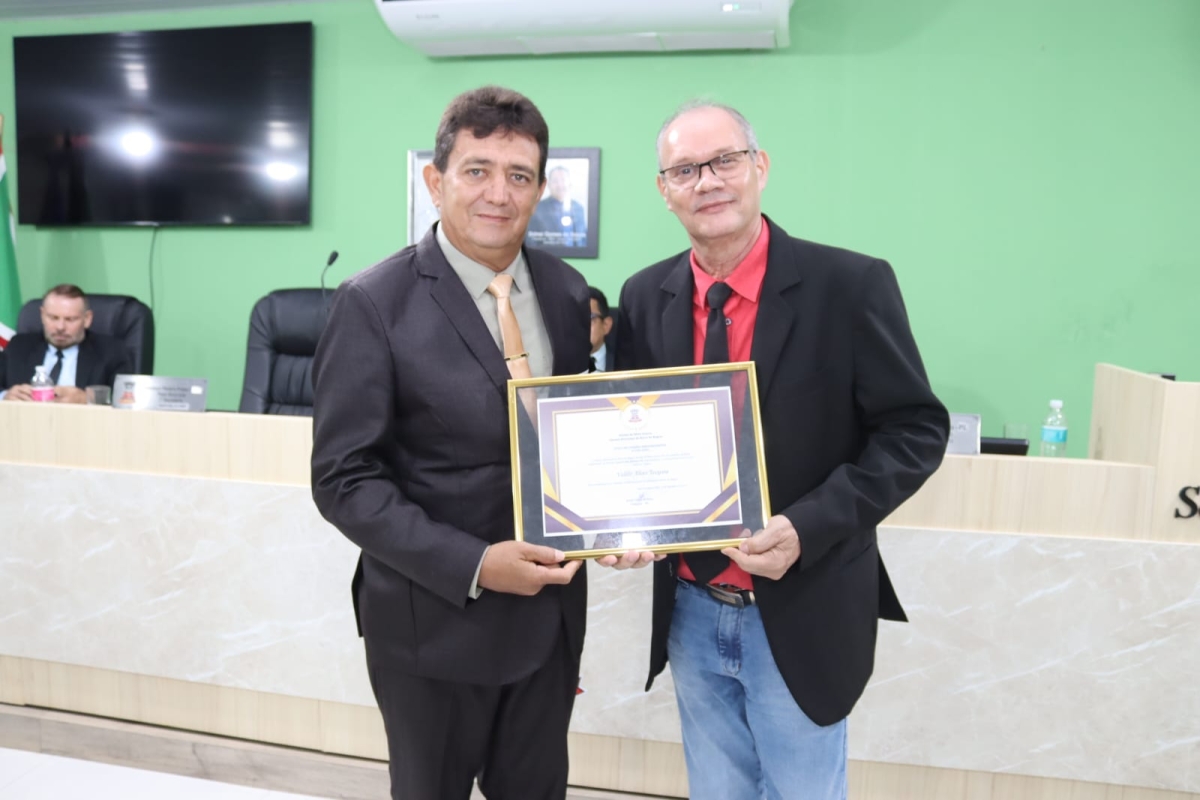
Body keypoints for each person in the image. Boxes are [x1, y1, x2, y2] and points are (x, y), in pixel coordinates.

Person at [606, 102, 949, 800]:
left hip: (804, 604)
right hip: (691, 606)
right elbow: (630, 436)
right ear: (664, 190)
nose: (708, 181)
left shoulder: (849, 285)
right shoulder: (642, 297)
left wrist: (807, 525)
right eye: (684, 170)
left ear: (759, 166)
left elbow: (914, 429)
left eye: (725, 160)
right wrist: (622, 522)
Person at [310, 86, 592, 800]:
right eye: (477, 170)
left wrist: (617, 518)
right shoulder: (373, 302)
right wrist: (476, 564)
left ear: (541, 189)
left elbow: (573, 435)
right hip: (432, 624)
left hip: (549, 621)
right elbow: (344, 480)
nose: (499, 193)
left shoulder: (566, 292)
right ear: (435, 182)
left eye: (520, 175)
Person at [0, 284, 130, 402]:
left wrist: (87, 399)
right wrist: (5, 395)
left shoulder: (111, 352)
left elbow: (125, 399)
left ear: (87, 319)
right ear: (42, 315)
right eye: (53, 318)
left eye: (70, 319)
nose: (60, 327)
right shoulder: (19, 346)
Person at [528, 165, 587, 248]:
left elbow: (582, 240)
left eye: (563, 180)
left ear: (570, 183)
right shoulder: (537, 208)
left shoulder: (579, 208)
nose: (560, 185)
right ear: (548, 185)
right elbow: (531, 241)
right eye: (555, 181)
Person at [587, 286, 614, 371]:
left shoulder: (626, 365)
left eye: (589, 318)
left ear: (606, 325)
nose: (581, 325)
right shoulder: (557, 366)